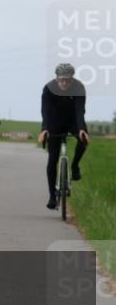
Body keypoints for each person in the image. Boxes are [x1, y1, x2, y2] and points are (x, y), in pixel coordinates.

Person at [37, 63, 89, 210]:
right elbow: (45, 111)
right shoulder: (48, 88)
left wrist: (81, 129)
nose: (64, 83)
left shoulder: (79, 88)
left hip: (72, 121)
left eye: (67, 80)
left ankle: (74, 166)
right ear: (56, 78)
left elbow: (80, 111)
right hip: (54, 122)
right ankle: (52, 196)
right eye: (61, 80)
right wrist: (44, 129)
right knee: (53, 158)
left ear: (72, 79)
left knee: (83, 139)